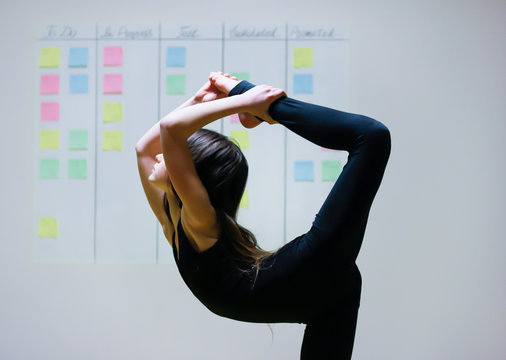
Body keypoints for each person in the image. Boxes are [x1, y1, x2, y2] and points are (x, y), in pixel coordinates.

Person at [135, 72, 391, 359]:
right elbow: (145, 147)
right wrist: (223, 100)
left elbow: (168, 131)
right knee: (372, 140)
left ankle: (265, 107)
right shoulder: (181, 219)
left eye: (170, 154)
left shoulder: (199, 222)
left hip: (313, 273)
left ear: (194, 175)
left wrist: (241, 98)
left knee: (372, 137)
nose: (159, 155)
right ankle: (261, 106)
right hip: (320, 288)